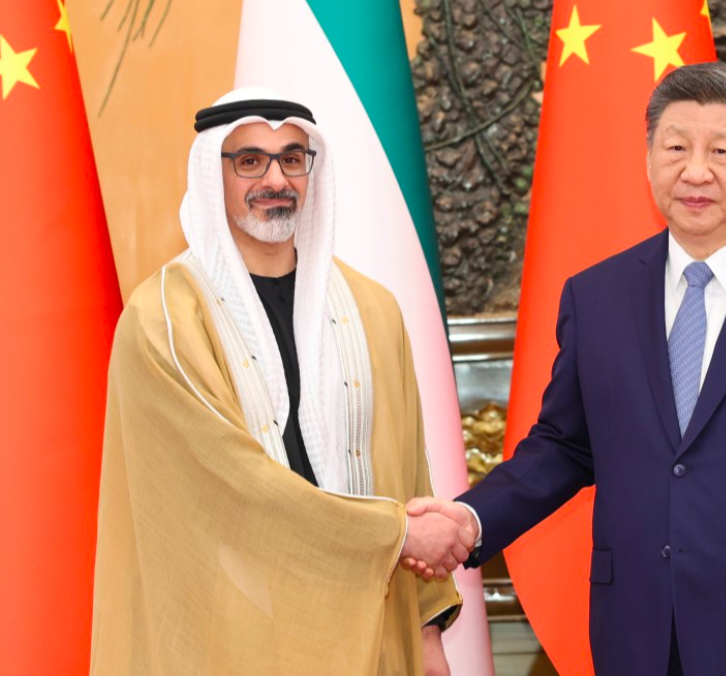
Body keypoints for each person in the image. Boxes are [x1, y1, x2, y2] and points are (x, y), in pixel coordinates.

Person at [405, 62, 726, 675]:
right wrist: (470, 519)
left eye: (721, 150)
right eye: (676, 148)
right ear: (649, 157)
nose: (695, 171)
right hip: (639, 635)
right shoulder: (597, 296)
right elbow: (564, 446)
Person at [90, 88, 473, 676]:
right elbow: (236, 485)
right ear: (213, 172)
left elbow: (408, 475)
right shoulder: (164, 319)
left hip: (371, 634)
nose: (276, 180)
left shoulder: (372, 310)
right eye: (250, 161)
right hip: (233, 639)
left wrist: (426, 636)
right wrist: (395, 535)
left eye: (292, 158)